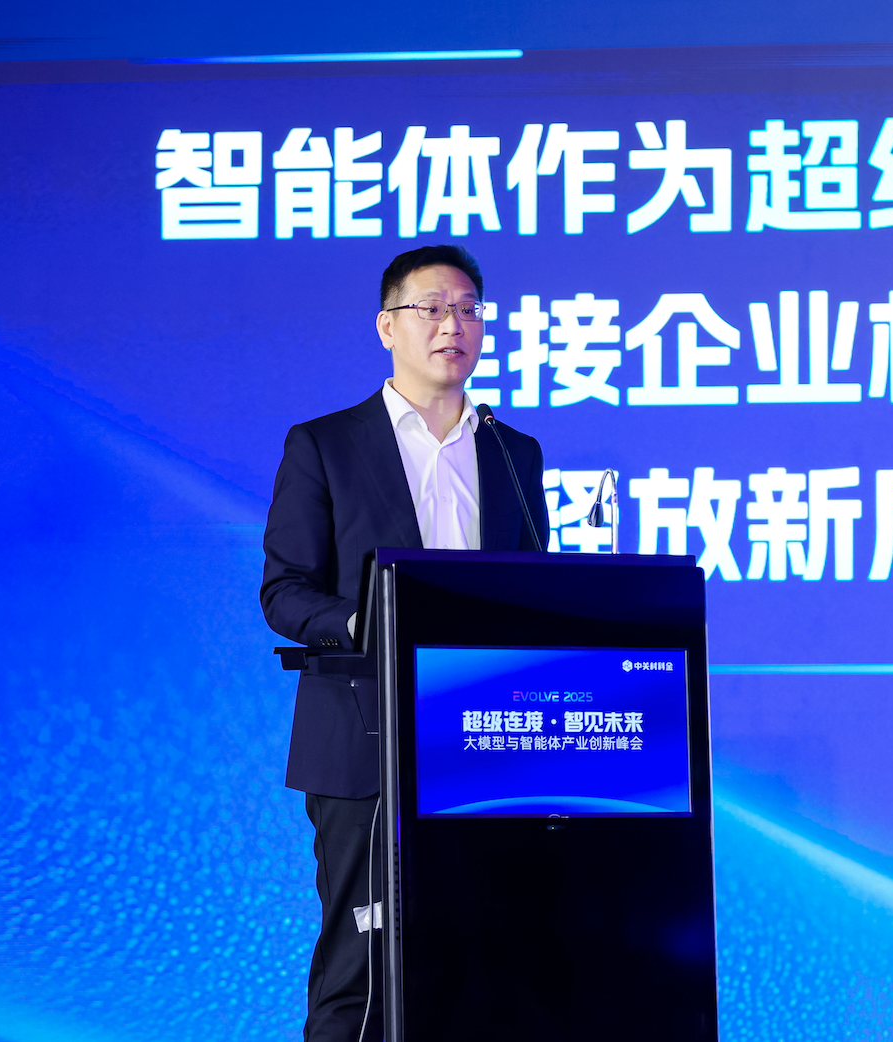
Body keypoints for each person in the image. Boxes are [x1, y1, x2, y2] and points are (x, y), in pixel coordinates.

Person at [260, 244, 549, 1041]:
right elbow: (284, 593)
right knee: (359, 970)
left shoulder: (513, 452)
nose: (454, 325)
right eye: (432, 308)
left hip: (485, 742)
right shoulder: (325, 444)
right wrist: (366, 622)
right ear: (388, 326)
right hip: (365, 743)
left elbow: (532, 592)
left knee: (480, 962)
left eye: (469, 310)